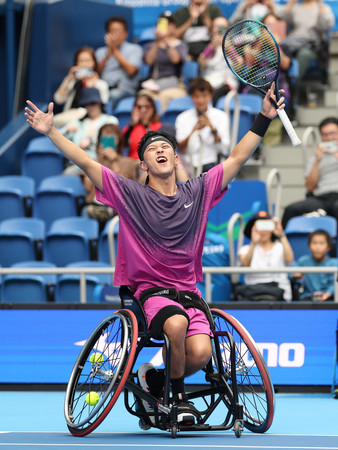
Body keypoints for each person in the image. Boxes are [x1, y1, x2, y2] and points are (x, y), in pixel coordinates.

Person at [25, 82, 283, 421]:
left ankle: (156, 379)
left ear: (176, 160)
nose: (160, 150)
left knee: (203, 352)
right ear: (144, 165)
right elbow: (87, 163)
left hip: (189, 293)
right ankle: (177, 401)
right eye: (151, 149)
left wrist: (264, 118)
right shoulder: (130, 195)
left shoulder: (198, 191)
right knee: (174, 324)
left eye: (166, 147)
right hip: (150, 294)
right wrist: (51, 132)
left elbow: (236, 157)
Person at [282, 118, 338, 229]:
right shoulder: (315, 158)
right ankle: (281, 243)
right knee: (291, 209)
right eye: (325, 135)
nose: (329, 138)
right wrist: (317, 161)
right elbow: (310, 187)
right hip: (322, 198)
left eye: (332, 133)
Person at [175, 77, 230, 176]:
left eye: (204, 96)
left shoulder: (221, 116)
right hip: (188, 165)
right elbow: (180, 148)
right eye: (196, 96)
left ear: (210, 96)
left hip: (211, 164)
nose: (200, 100)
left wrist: (212, 128)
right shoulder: (182, 118)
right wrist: (194, 131)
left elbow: (224, 148)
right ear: (191, 97)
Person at [237, 211, 294, 301]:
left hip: (280, 295)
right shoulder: (245, 249)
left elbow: (289, 259)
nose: (263, 231)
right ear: (253, 229)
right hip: (253, 296)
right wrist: (253, 243)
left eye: (266, 225)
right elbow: (246, 264)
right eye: (260, 226)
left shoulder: (280, 246)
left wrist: (281, 235)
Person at [275, 0, 335, 80]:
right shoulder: (296, 7)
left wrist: (320, 6)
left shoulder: (323, 8)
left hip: (311, 46)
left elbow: (327, 25)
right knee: (279, 52)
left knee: (303, 55)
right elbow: (281, 17)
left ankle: (292, 84)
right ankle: (277, 81)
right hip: (293, 43)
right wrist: (291, 2)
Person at [141, 11, 188, 112]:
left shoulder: (180, 45)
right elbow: (148, 61)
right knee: (143, 97)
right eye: (163, 23)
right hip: (153, 84)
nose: (167, 26)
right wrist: (157, 42)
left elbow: (175, 59)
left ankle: (159, 127)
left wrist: (166, 42)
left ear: (174, 26)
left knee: (163, 97)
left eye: (170, 24)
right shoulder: (151, 45)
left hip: (174, 85)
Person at [53, 46, 109, 127]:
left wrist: (91, 87)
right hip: (69, 119)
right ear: (76, 63)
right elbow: (58, 99)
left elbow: (102, 108)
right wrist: (68, 79)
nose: (84, 64)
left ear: (94, 63)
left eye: (88, 61)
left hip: (89, 122)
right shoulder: (71, 81)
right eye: (81, 61)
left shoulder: (101, 85)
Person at [95, 16, 143, 110]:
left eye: (119, 31)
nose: (115, 34)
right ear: (107, 33)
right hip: (102, 88)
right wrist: (107, 56)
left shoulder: (135, 49)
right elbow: (96, 73)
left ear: (126, 34)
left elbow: (131, 71)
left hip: (124, 89)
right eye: (112, 31)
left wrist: (114, 50)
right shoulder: (100, 52)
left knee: (114, 95)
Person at [60, 87, 118, 161]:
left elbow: (112, 146)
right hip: (79, 162)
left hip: (102, 162)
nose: (90, 107)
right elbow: (58, 137)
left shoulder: (110, 121)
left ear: (99, 104)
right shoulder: (78, 123)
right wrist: (67, 131)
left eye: (93, 103)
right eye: (87, 104)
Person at [198, 16, 239, 106]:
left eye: (222, 27)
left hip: (227, 83)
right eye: (217, 26)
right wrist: (211, 47)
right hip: (209, 82)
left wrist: (228, 48)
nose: (219, 29)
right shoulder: (208, 47)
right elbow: (201, 64)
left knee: (216, 93)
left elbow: (240, 65)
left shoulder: (235, 45)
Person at [292, 229, 337, 301]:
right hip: (308, 297)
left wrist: (328, 294)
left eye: (321, 243)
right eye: (314, 243)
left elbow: (334, 284)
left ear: (328, 247)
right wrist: (295, 275)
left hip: (329, 298)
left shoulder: (334, 264)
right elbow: (290, 274)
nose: (317, 247)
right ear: (309, 246)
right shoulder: (303, 261)